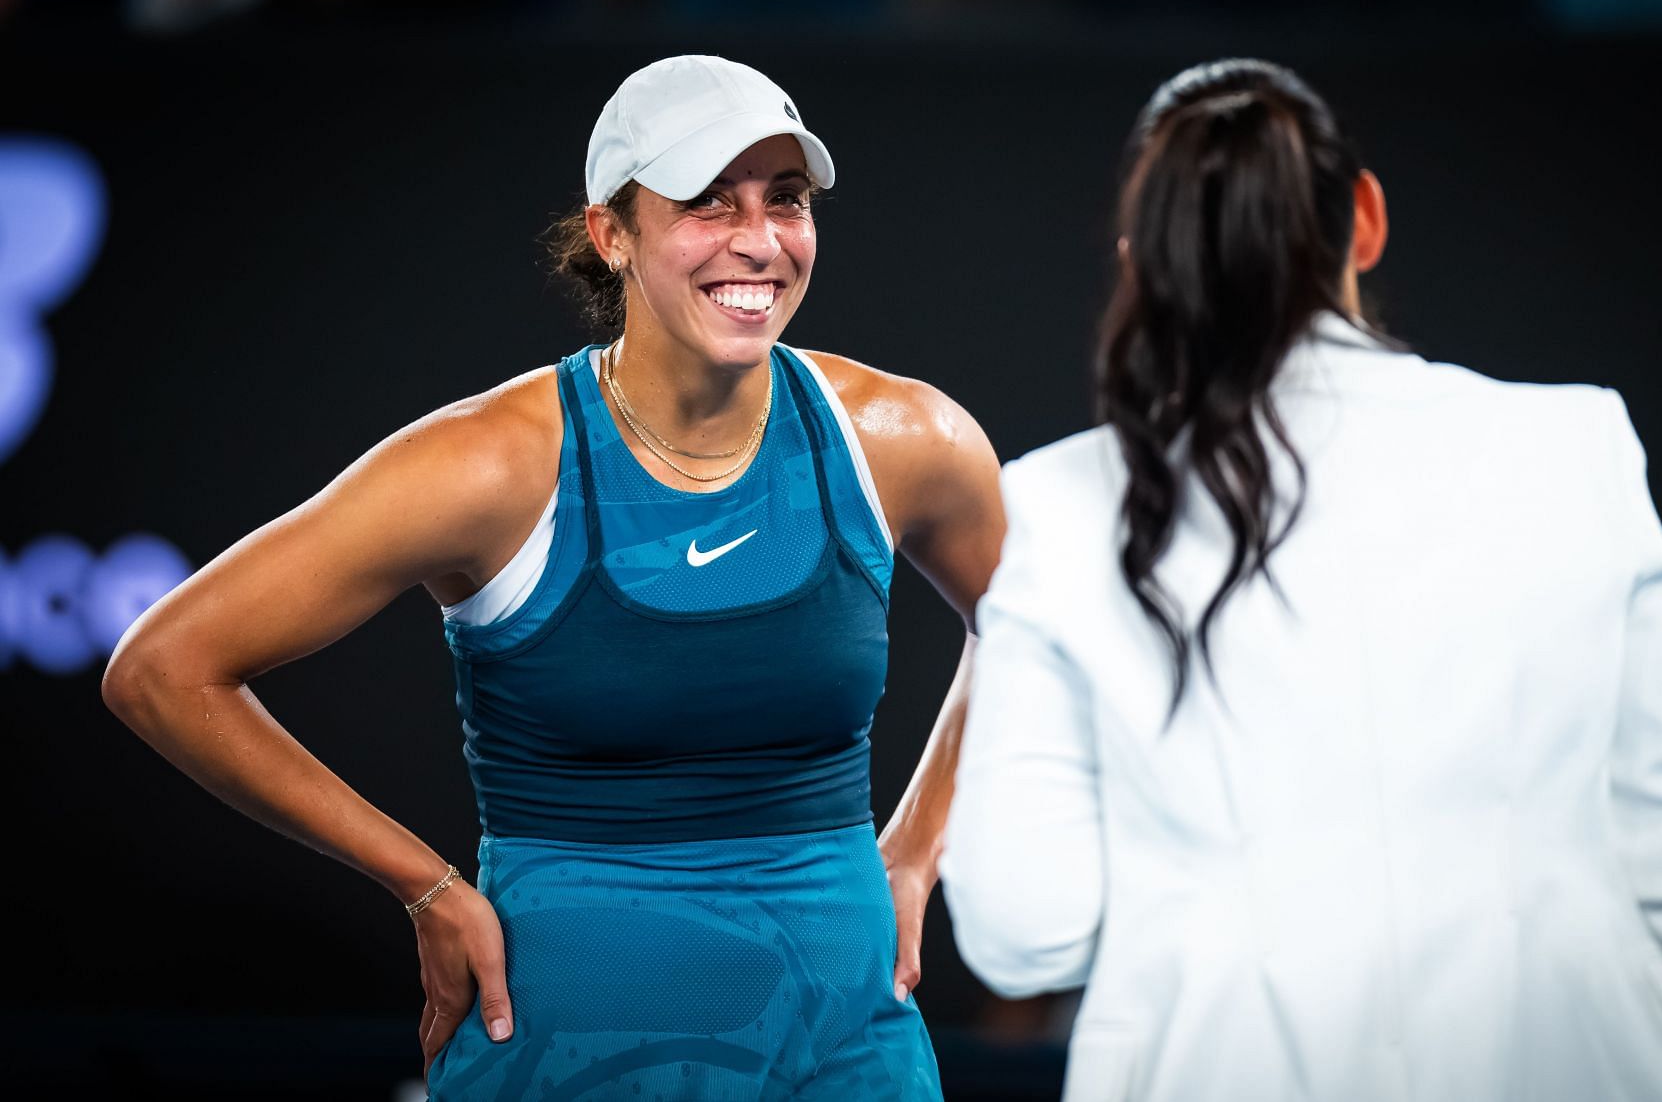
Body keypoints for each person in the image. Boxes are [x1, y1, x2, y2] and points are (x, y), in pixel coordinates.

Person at [100, 54, 1003, 1100]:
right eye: (709, 203)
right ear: (611, 233)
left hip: (848, 1039)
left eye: (786, 201)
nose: (760, 239)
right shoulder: (491, 463)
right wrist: (424, 883)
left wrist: (919, 844)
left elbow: (1039, 628)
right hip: (571, 1048)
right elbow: (164, 667)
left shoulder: (902, 437)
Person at [940, 58, 1662, 1102]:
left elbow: (1025, 929)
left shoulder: (1058, 503)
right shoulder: (1576, 441)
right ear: (1364, 220)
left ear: (1140, 262)